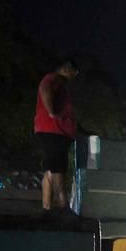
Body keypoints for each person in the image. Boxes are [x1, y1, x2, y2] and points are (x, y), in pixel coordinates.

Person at [34, 58, 80, 214]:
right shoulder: (54, 79)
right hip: (54, 131)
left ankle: (46, 207)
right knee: (58, 170)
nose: (73, 78)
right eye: (74, 74)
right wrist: (51, 112)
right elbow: (45, 88)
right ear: (66, 70)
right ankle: (63, 206)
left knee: (50, 169)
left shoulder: (61, 86)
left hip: (55, 132)